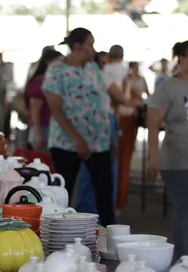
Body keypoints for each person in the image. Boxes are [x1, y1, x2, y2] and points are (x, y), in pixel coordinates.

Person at [42, 28, 115, 226]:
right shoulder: (57, 70)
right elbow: (55, 108)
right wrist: (76, 138)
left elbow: (103, 99)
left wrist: (108, 136)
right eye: (90, 44)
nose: (93, 49)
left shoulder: (93, 68)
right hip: (66, 142)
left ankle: (108, 238)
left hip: (98, 143)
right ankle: (59, 234)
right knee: (63, 191)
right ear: (77, 47)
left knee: (105, 192)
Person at [147, 40, 188, 260]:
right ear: (182, 58)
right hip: (177, 160)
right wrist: (154, 157)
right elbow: (152, 124)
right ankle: (181, 257)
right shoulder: (169, 87)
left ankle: (187, 242)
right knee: (185, 206)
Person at [75, 51, 141, 217]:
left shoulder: (80, 76)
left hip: (86, 126)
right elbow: (121, 98)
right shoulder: (102, 77)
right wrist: (135, 103)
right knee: (106, 172)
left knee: (88, 172)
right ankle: (102, 216)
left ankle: (86, 214)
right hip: (102, 125)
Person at [115, 61, 149, 212]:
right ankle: (118, 201)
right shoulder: (123, 79)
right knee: (121, 163)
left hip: (124, 121)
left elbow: (139, 99)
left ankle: (119, 201)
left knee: (121, 163)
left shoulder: (125, 80)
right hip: (122, 121)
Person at [26, 49, 63, 151]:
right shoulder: (40, 82)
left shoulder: (52, 80)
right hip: (43, 128)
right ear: (48, 62)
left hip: (49, 128)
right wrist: (38, 134)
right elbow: (35, 108)